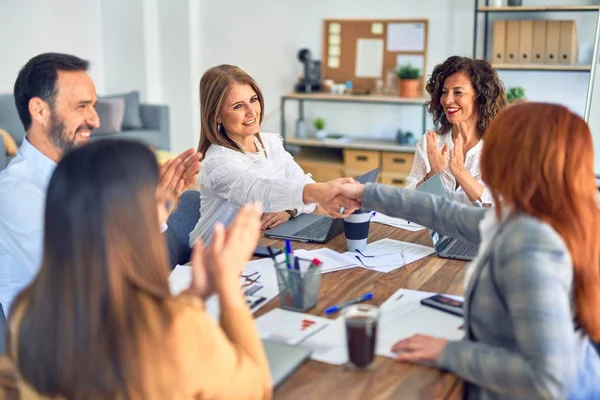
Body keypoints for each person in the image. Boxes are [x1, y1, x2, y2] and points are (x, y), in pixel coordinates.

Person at [340, 103, 600, 399]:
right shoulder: (538, 217)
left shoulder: (530, 244)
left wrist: (450, 352)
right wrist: (365, 194)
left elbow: (549, 381)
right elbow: (444, 214)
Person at [6, 140, 272, 399]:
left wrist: (193, 296)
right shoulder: (178, 330)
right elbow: (257, 388)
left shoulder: (27, 313)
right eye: (160, 201)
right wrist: (228, 284)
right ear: (129, 221)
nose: (173, 206)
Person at [0, 53, 201, 316]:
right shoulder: (14, 193)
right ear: (39, 110)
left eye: (93, 106)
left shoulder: (84, 174)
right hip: (62, 345)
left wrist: (156, 209)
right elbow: (85, 281)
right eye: (81, 106)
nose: (95, 120)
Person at [189, 64, 358, 245]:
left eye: (253, 99)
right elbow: (257, 192)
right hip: (212, 257)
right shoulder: (217, 162)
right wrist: (317, 192)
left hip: (256, 244)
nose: (252, 111)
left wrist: (290, 210)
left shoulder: (270, 143)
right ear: (216, 116)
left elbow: (303, 183)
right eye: (238, 106)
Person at [405, 56, 507, 206]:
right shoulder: (430, 142)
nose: (447, 100)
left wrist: (460, 173)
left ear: (480, 97)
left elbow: (501, 207)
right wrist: (433, 175)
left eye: (458, 92)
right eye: (444, 92)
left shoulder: (500, 147)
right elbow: (407, 200)